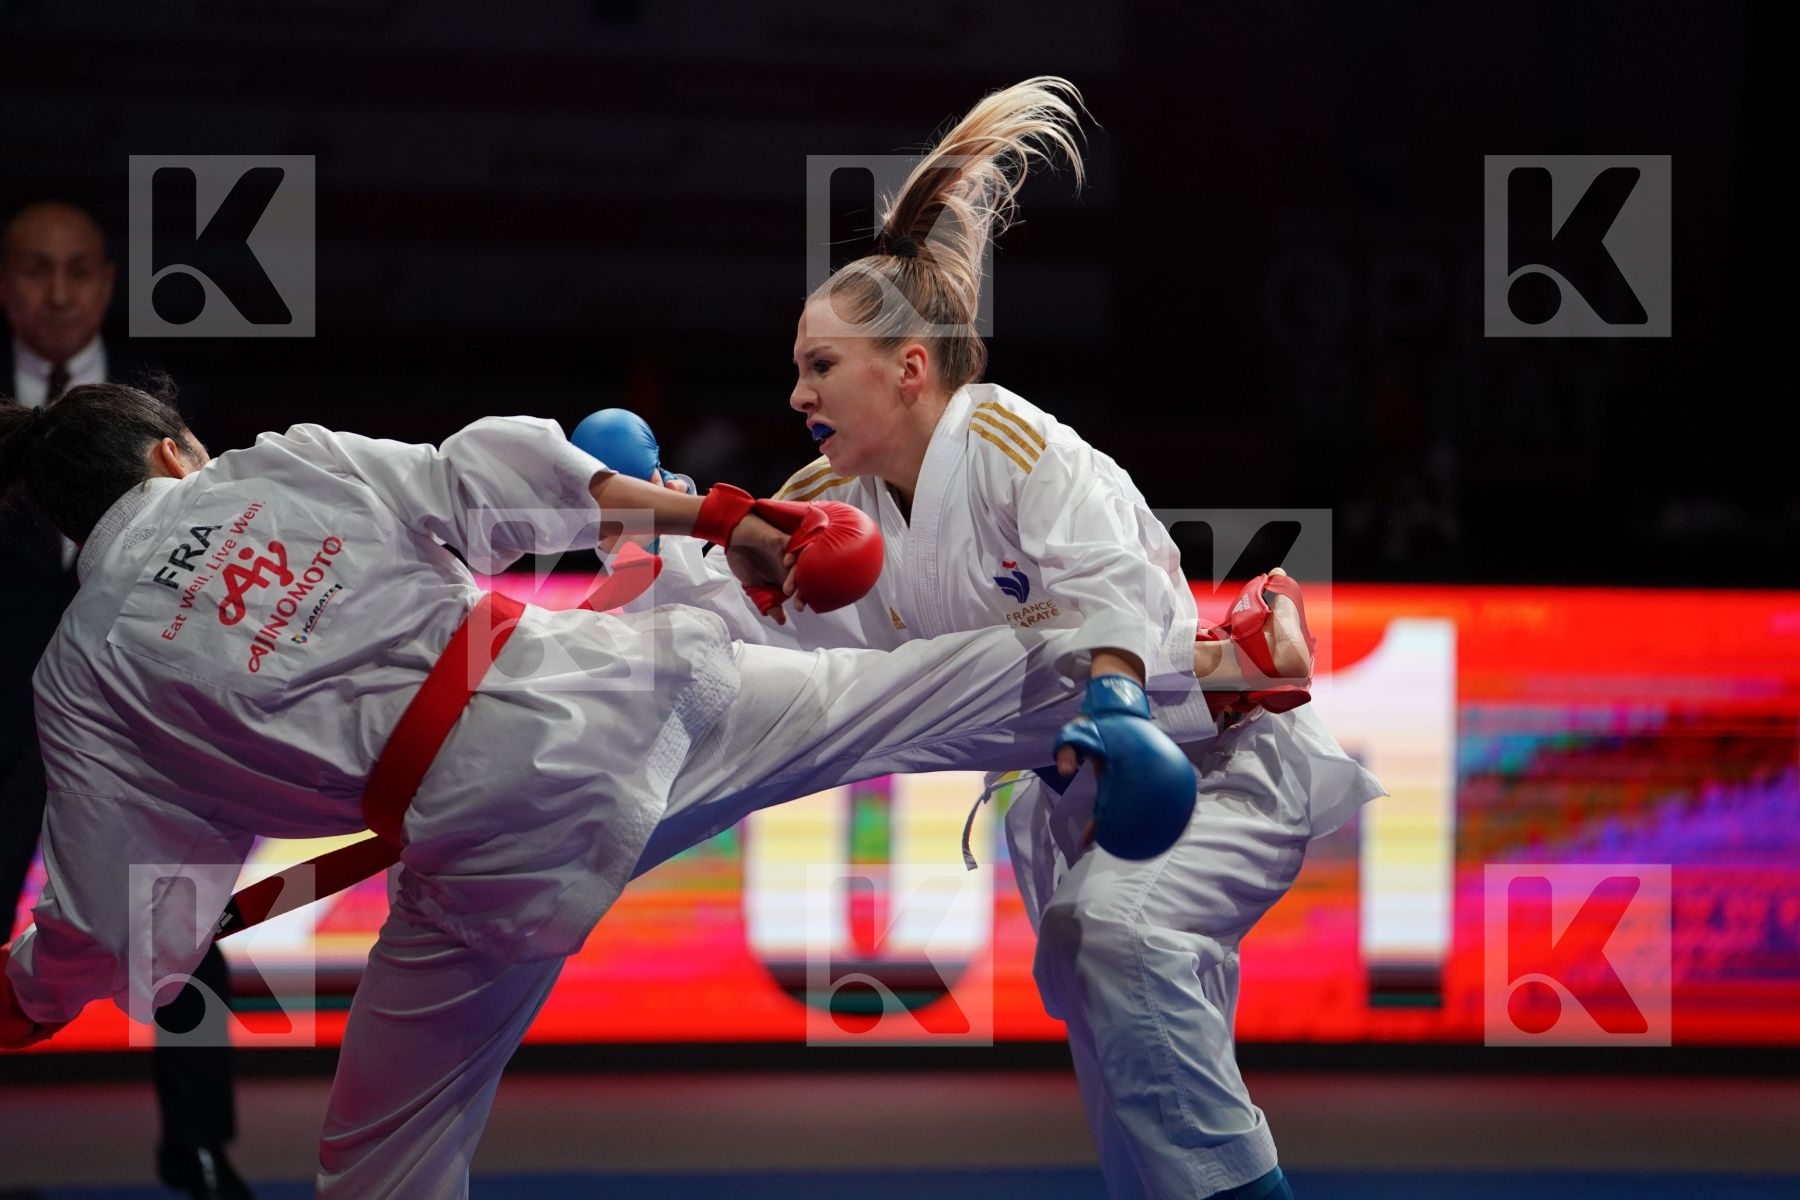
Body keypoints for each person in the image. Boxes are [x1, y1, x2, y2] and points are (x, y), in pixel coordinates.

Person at [0, 379, 1198, 1197]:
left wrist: (29, 995)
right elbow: (495, 480)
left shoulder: (83, 678)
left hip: (488, 852)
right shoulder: (277, 467)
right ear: (173, 453)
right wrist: (726, 515)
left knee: (378, 1162)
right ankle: (1203, 665)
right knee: (897, 697)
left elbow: (123, 925)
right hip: (619, 694)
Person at [638, 77, 1385, 1199]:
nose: (796, 394)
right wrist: (660, 520)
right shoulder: (836, 517)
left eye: (820, 367)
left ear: (909, 367)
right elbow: (738, 631)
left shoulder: (1007, 440)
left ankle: (1215, 687)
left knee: (1120, 939)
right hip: (1076, 801)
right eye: (797, 369)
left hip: (1214, 769)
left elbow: (1110, 583)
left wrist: (1122, 699)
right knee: (1125, 1063)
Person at [0, 200, 248, 1200]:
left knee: (184, 922)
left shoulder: (165, 409)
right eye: (35, 269)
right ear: (5, 283)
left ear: (105, 282)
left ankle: (201, 1151)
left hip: (149, 724)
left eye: (78, 270)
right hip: (4, 728)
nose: (57, 291)